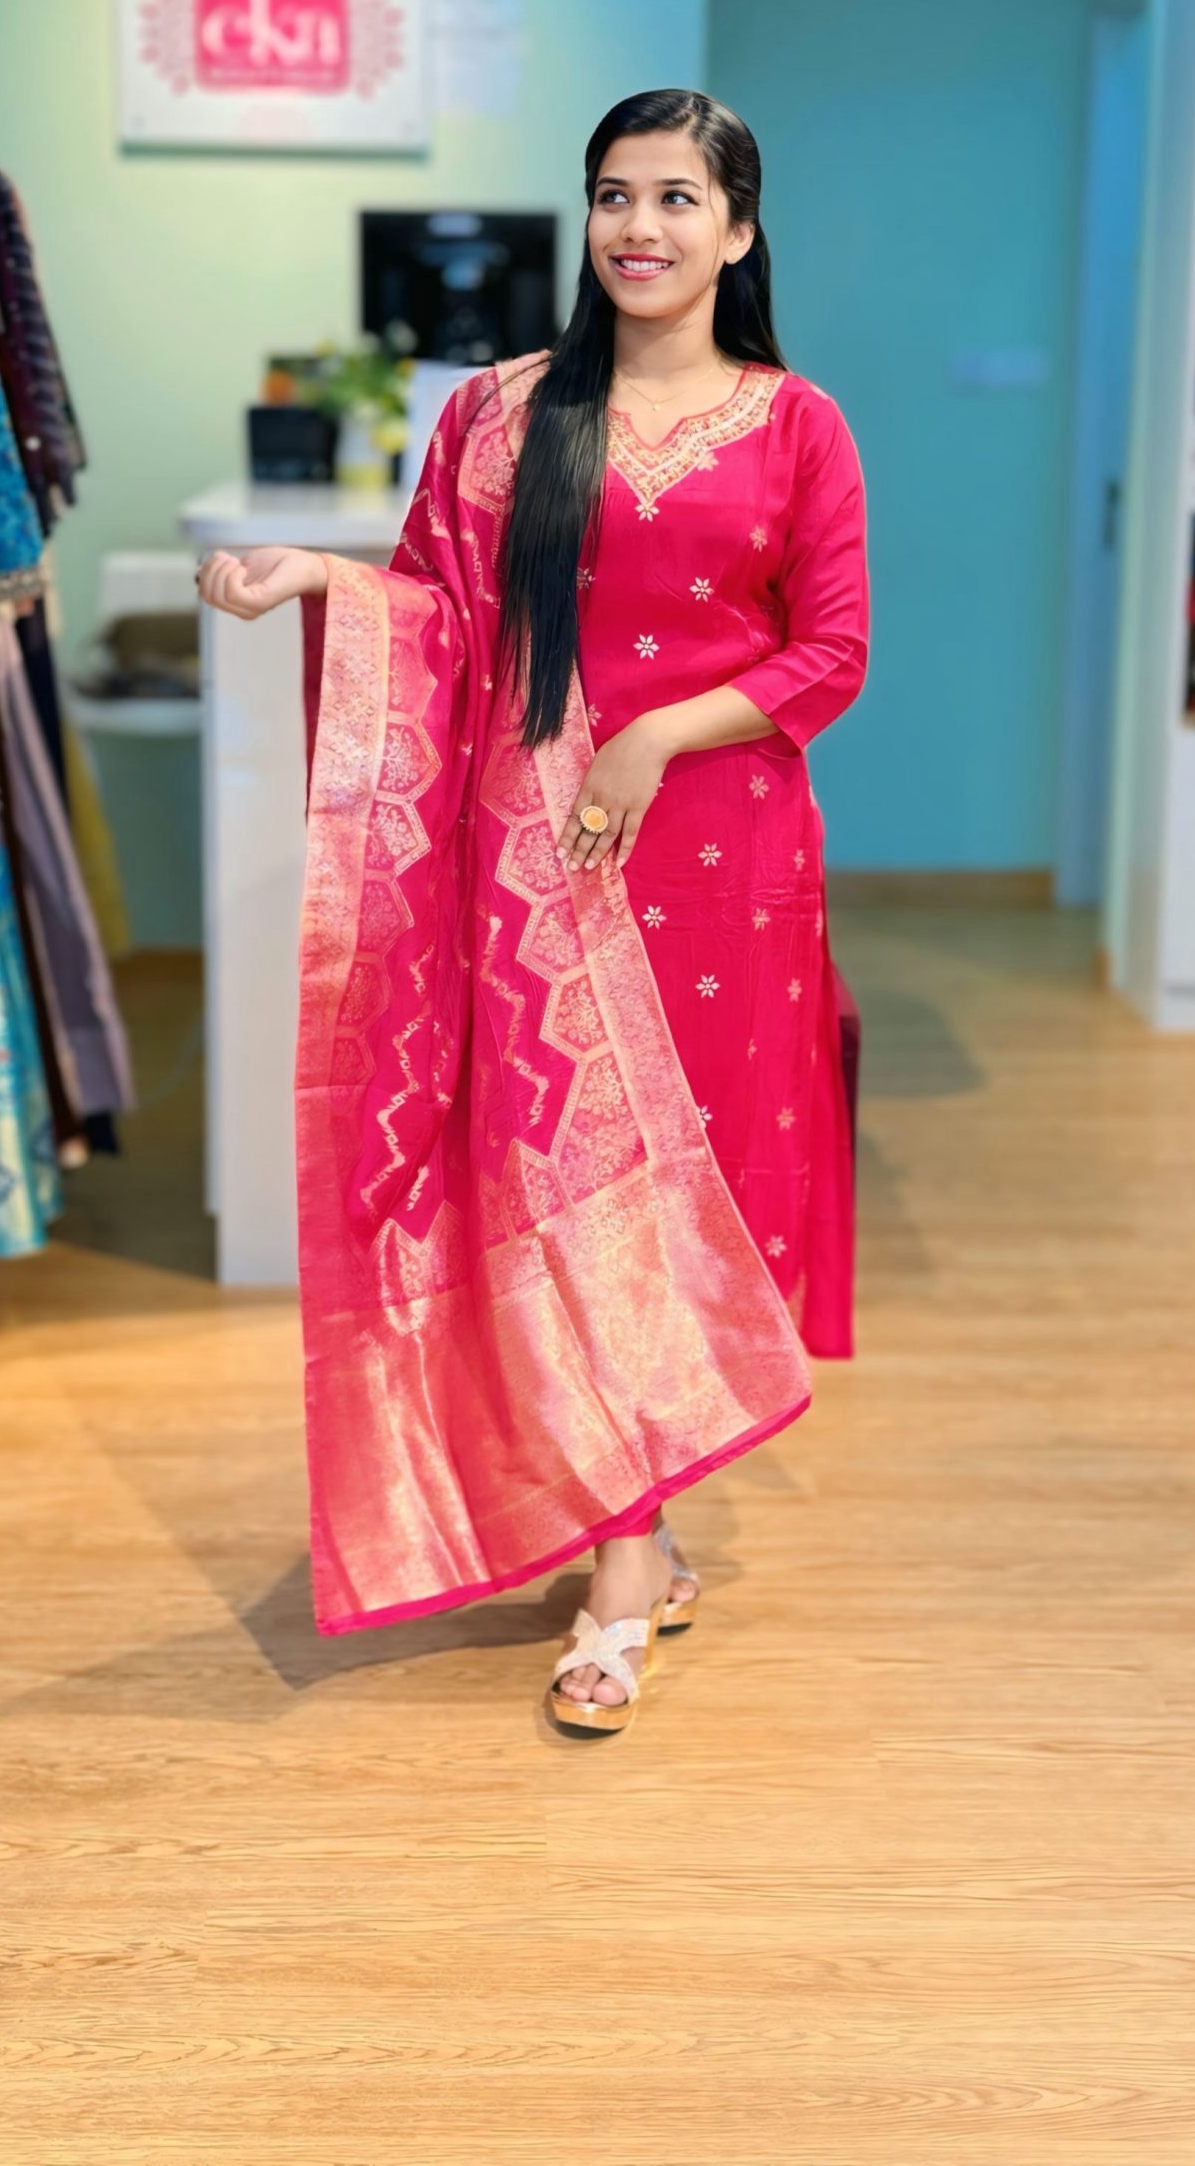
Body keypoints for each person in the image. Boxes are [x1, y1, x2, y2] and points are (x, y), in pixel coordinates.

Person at [196, 89, 869, 1734]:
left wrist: (656, 734)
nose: (641, 227)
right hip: (540, 862)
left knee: (687, 1190)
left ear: (739, 230)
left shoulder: (797, 426)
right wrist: (320, 579)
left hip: (720, 860)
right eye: (613, 195)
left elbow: (831, 653)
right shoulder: (503, 413)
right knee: (556, 1183)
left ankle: (629, 1550)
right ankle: (629, 1554)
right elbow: (438, 606)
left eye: (678, 198)